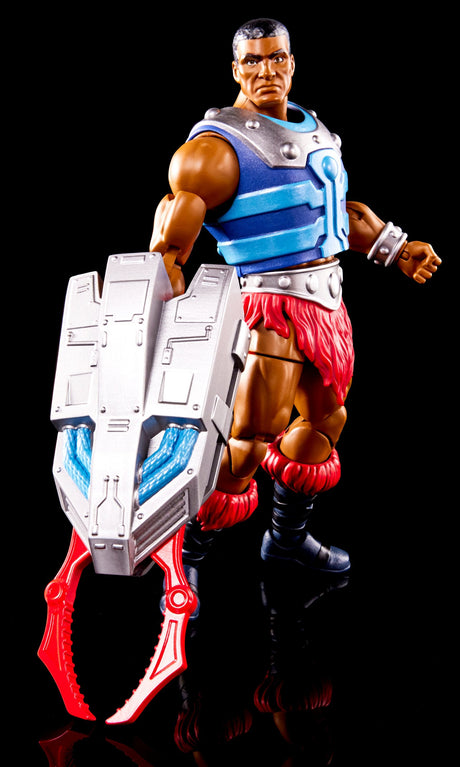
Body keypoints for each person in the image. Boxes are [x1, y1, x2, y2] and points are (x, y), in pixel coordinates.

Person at [150, 18, 440, 578]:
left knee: (325, 422)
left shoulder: (314, 130)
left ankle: (286, 541)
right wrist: (164, 291)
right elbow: (175, 224)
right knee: (248, 443)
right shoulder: (216, 148)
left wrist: (395, 248)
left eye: (276, 58)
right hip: (268, 310)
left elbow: (333, 211)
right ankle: (183, 563)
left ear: (291, 61)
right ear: (235, 69)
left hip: (326, 306)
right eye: (253, 61)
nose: (266, 70)